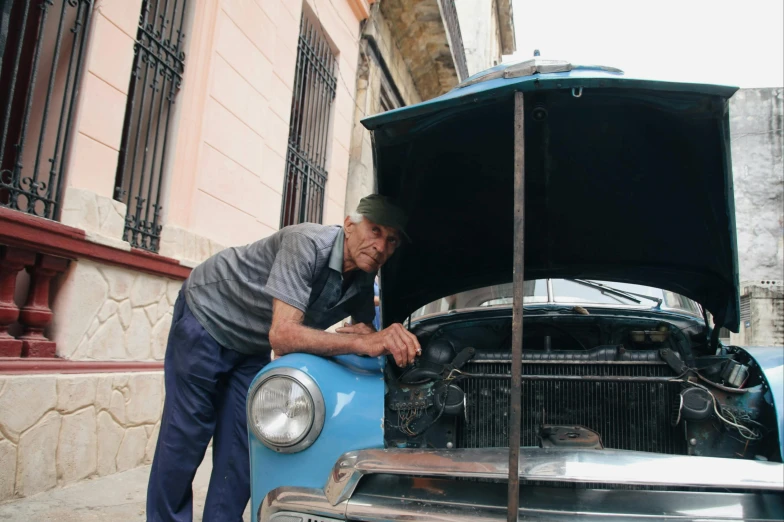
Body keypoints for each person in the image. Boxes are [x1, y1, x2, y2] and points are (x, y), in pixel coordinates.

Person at [146, 194, 420, 522]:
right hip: (207, 316)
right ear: (349, 225)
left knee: (242, 451)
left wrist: (374, 337)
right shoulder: (305, 243)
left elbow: (360, 334)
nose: (381, 246)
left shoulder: (363, 282)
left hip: (251, 346)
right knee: (185, 438)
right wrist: (365, 342)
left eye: (391, 240)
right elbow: (283, 337)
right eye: (374, 230)